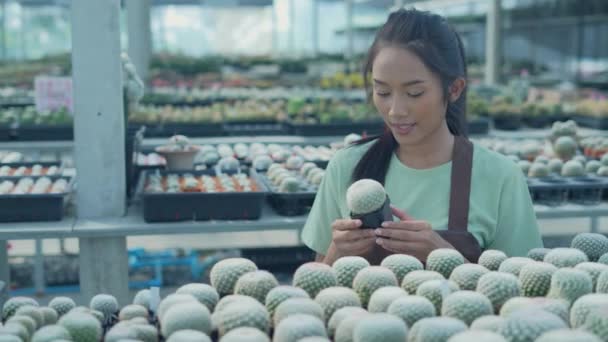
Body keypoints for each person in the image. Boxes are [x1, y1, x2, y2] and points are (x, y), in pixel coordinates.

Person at [300, 8, 543, 266]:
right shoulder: (346, 167)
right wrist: (337, 253)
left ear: (454, 89)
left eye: (414, 93)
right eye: (382, 92)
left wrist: (447, 258)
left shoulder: (500, 177)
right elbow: (316, 286)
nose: (396, 111)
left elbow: (525, 291)